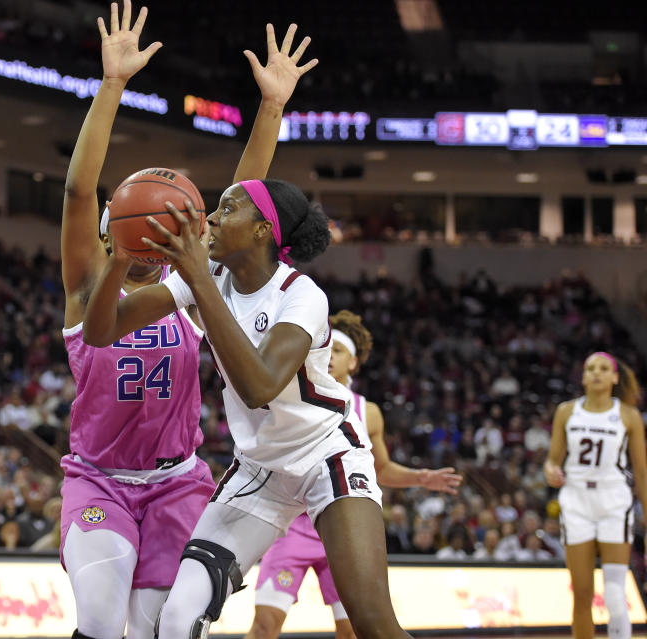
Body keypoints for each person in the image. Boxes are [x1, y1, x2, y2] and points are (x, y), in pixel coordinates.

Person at [58, 3, 318, 639]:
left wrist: (271, 109)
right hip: (100, 482)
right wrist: (112, 83)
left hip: (177, 481)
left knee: (158, 629)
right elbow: (77, 191)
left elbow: (244, 199)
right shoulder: (88, 288)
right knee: (96, 616)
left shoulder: (191, 291)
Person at [83, 190, 411, 636]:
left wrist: (199, 281)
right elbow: (101, 331)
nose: (211, 219)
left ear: (263, 230)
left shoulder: (301, 295)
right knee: (177, 618)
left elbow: (258, 386)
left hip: (327, 454)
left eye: (227, 209)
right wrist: (121, 258)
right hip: (259, 469)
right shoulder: (208, 274)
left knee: (371, 621)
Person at [245, 310, 461, 639]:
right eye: (325, 350)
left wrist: (421, 478)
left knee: (354, 632)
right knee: (263, 627)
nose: (329, 358)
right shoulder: (294, 395)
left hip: (345, 529)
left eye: (338, 352)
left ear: (354, 363)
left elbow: (382, 468)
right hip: (294, 525)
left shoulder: (368, 412)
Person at [545, 352, 646, 639]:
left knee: (614, 593)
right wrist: (550, 470)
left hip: (614, 501)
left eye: (604, 368)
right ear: (583, 377)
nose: (596, 373)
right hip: (576, 502)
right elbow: (552, 459)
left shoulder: (628, 415)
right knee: (582, 594)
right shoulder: (566, 411)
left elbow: (641, 472)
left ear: (615, 377)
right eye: (590, 368)